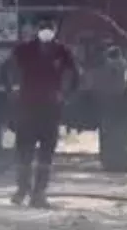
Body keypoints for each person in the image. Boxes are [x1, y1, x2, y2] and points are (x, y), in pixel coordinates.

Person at [6, 17, 78, 208]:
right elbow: (9, 71)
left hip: (49, 109)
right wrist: (13, 90)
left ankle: (38, 193)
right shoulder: (23, 51)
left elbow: (73, 76)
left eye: (49, 28)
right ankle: (23, 190)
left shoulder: (62, 53)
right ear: (37, 30)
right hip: (28, 108)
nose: (46, 31)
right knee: (25, 153)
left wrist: (65, 95)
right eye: (43, 28)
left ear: (55, 30)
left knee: (44, 155)